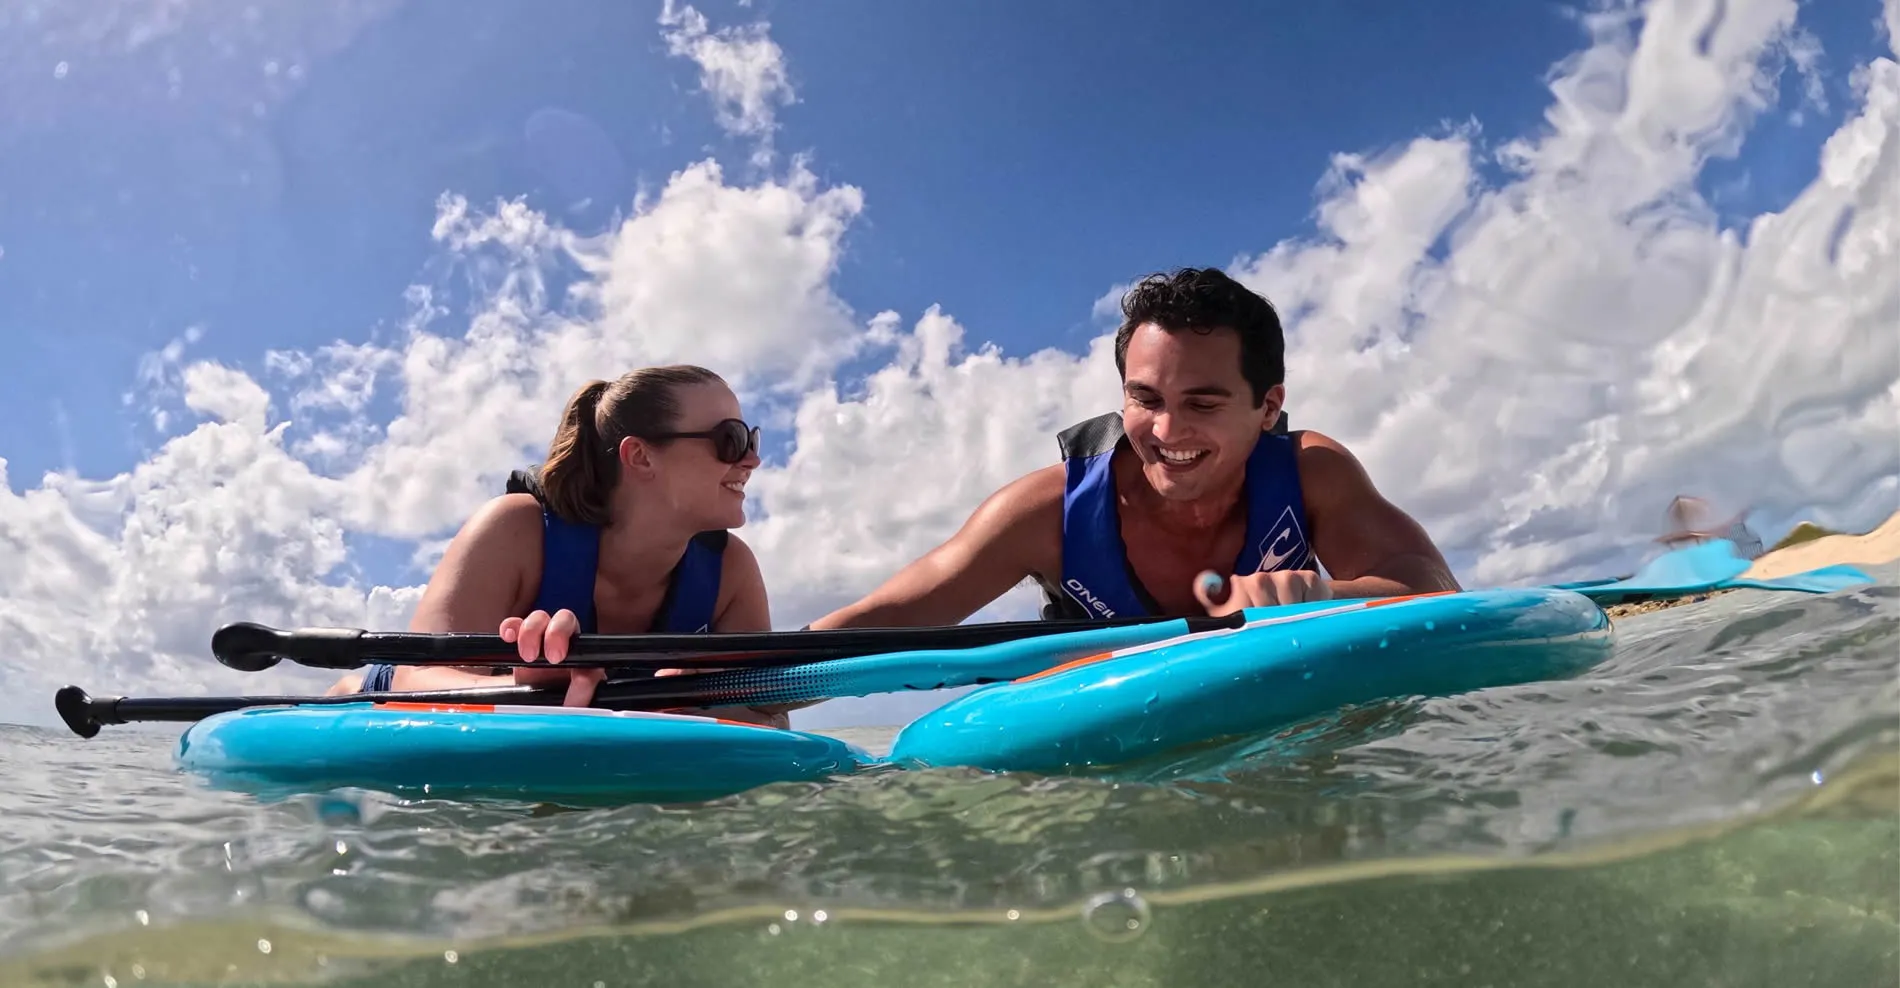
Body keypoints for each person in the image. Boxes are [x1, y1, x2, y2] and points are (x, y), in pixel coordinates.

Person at [808, 267, 1460, 631]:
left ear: (1267, 406)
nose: (1167, 433)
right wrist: (746, 685)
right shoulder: (1046, 513)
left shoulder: (1313, 473)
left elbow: (1434, 586)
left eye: (1202, 404)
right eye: (1145, 399)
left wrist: (1325, 593)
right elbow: (885, 619)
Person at [326, 364, 785, 726]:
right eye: (731, 440)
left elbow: (770, 712)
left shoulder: (731, 570)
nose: (753, 459)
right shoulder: (515, 529)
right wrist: (525, 687)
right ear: (641, 456)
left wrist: (695, 709)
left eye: (752, 438)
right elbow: (415, 679)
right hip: (373, 707)